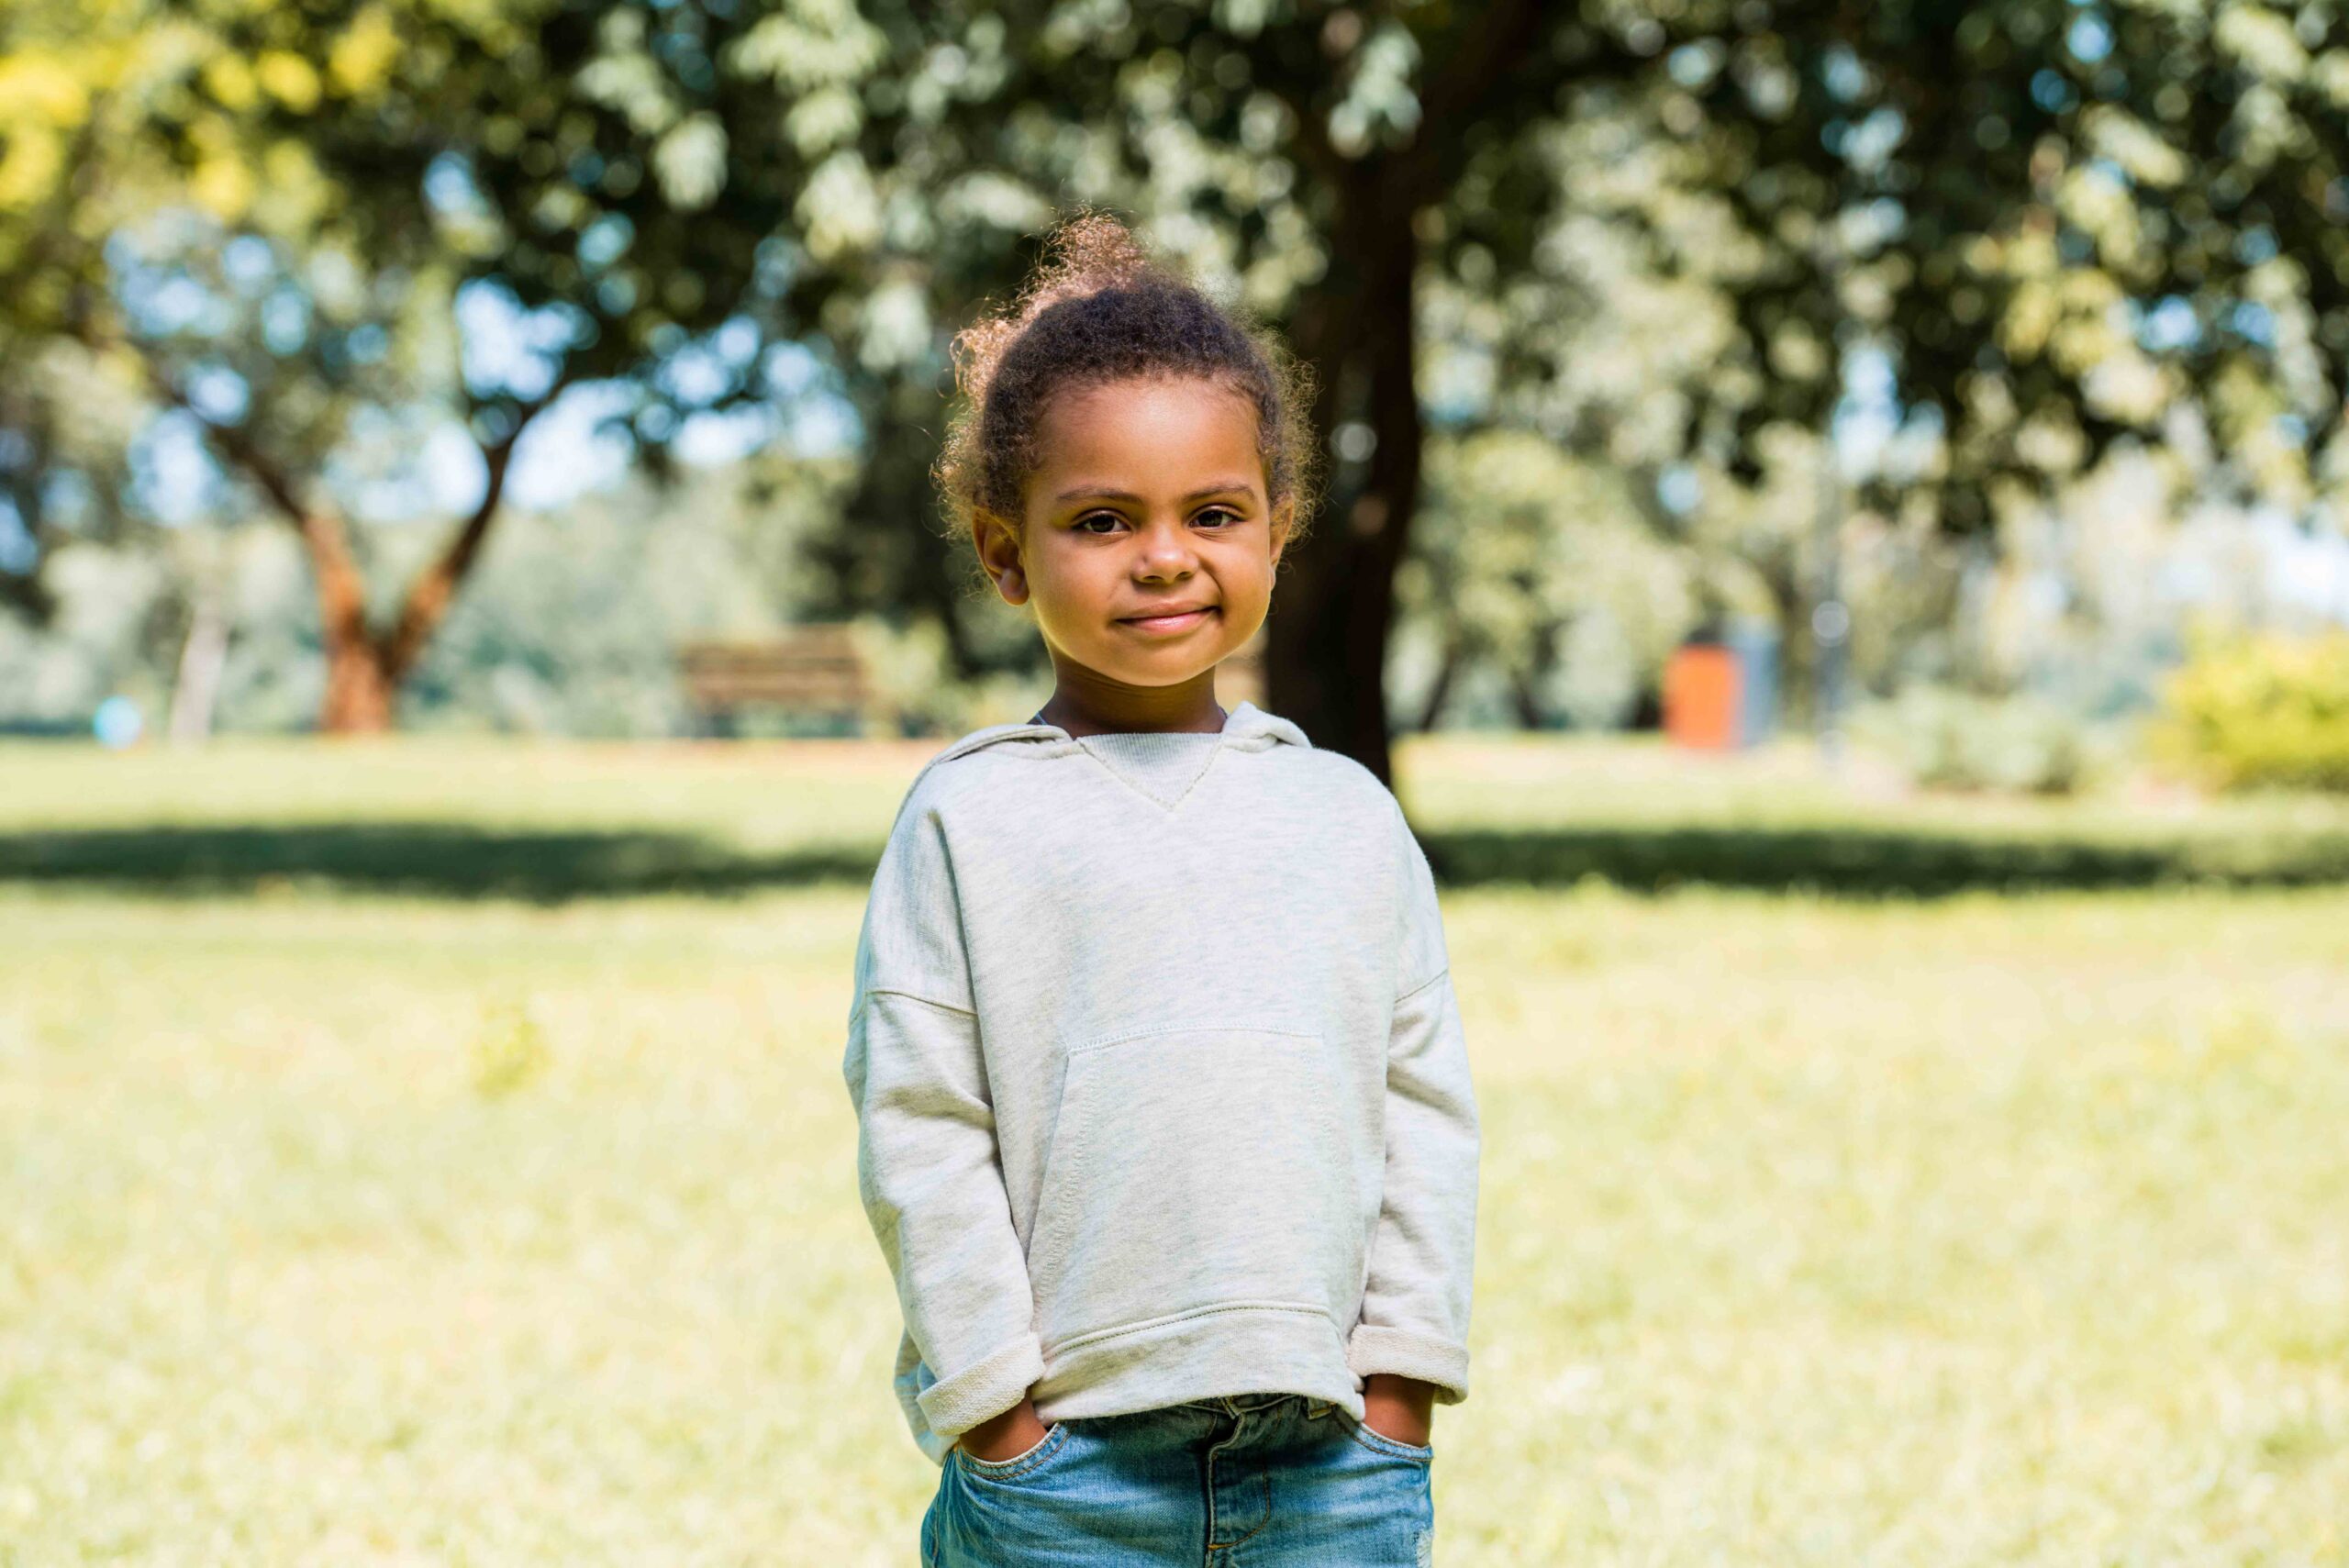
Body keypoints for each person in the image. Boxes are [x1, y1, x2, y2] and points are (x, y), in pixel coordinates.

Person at [842, 209, 1480, 1566]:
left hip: (1333, 1469)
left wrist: (1400, 1398)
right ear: (1004, 549)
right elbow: (920, 1122)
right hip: (1066, 1474)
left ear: (1277, 530)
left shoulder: (1345, 817)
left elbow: (1422, 1106)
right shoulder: (971, 817)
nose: (1164, 554)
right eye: (1100, 518)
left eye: (1213, 512)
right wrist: (997, 1414)